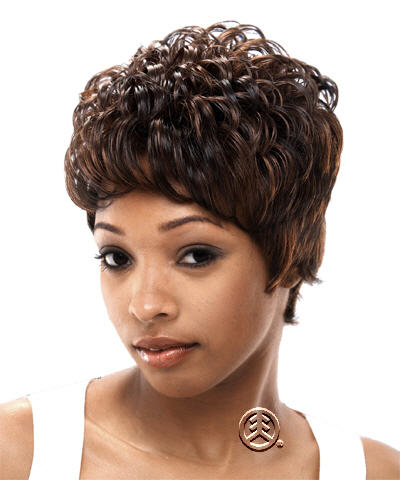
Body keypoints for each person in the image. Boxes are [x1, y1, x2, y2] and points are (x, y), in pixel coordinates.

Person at [1, 21, 398, 480]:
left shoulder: (372, 472)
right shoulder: (20, 454)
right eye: (117, 258)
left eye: (195, 255)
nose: (145, 306)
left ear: (292, 253)